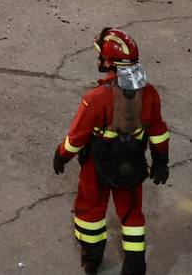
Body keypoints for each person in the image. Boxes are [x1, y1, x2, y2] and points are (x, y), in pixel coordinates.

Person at [53, 28, 170, 275]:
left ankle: (92, 260)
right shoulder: (149, 94)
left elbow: (77, 137)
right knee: (132, 214)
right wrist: (161, 159)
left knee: (90, 210)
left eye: (101, 56)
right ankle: (135, 266)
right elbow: (158, 131)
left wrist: (62, 155)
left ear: (109, 62)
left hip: (97, 165)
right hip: (132, 163)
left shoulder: (95, 98)